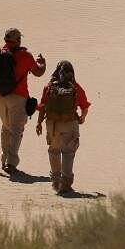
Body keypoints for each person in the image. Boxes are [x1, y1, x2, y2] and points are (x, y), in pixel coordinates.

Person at [0, 27, 46, 174]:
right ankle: (11, 163)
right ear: (18, 40)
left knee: (6, 127)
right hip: (18, 97)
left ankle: (4, 161)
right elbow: (38, 72)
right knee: (17, 130)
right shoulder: (25, 55)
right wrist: (43, 63)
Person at [35, 60, 91, 194]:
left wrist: (39, 123)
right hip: (69, 123)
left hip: (52, 124)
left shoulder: (48, 86)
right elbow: (85, 106)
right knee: (68, 153)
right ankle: (65, 183)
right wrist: (82, 118)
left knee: (54, 150)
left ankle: (55, 180)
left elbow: (42, 106)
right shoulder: (75, 87)